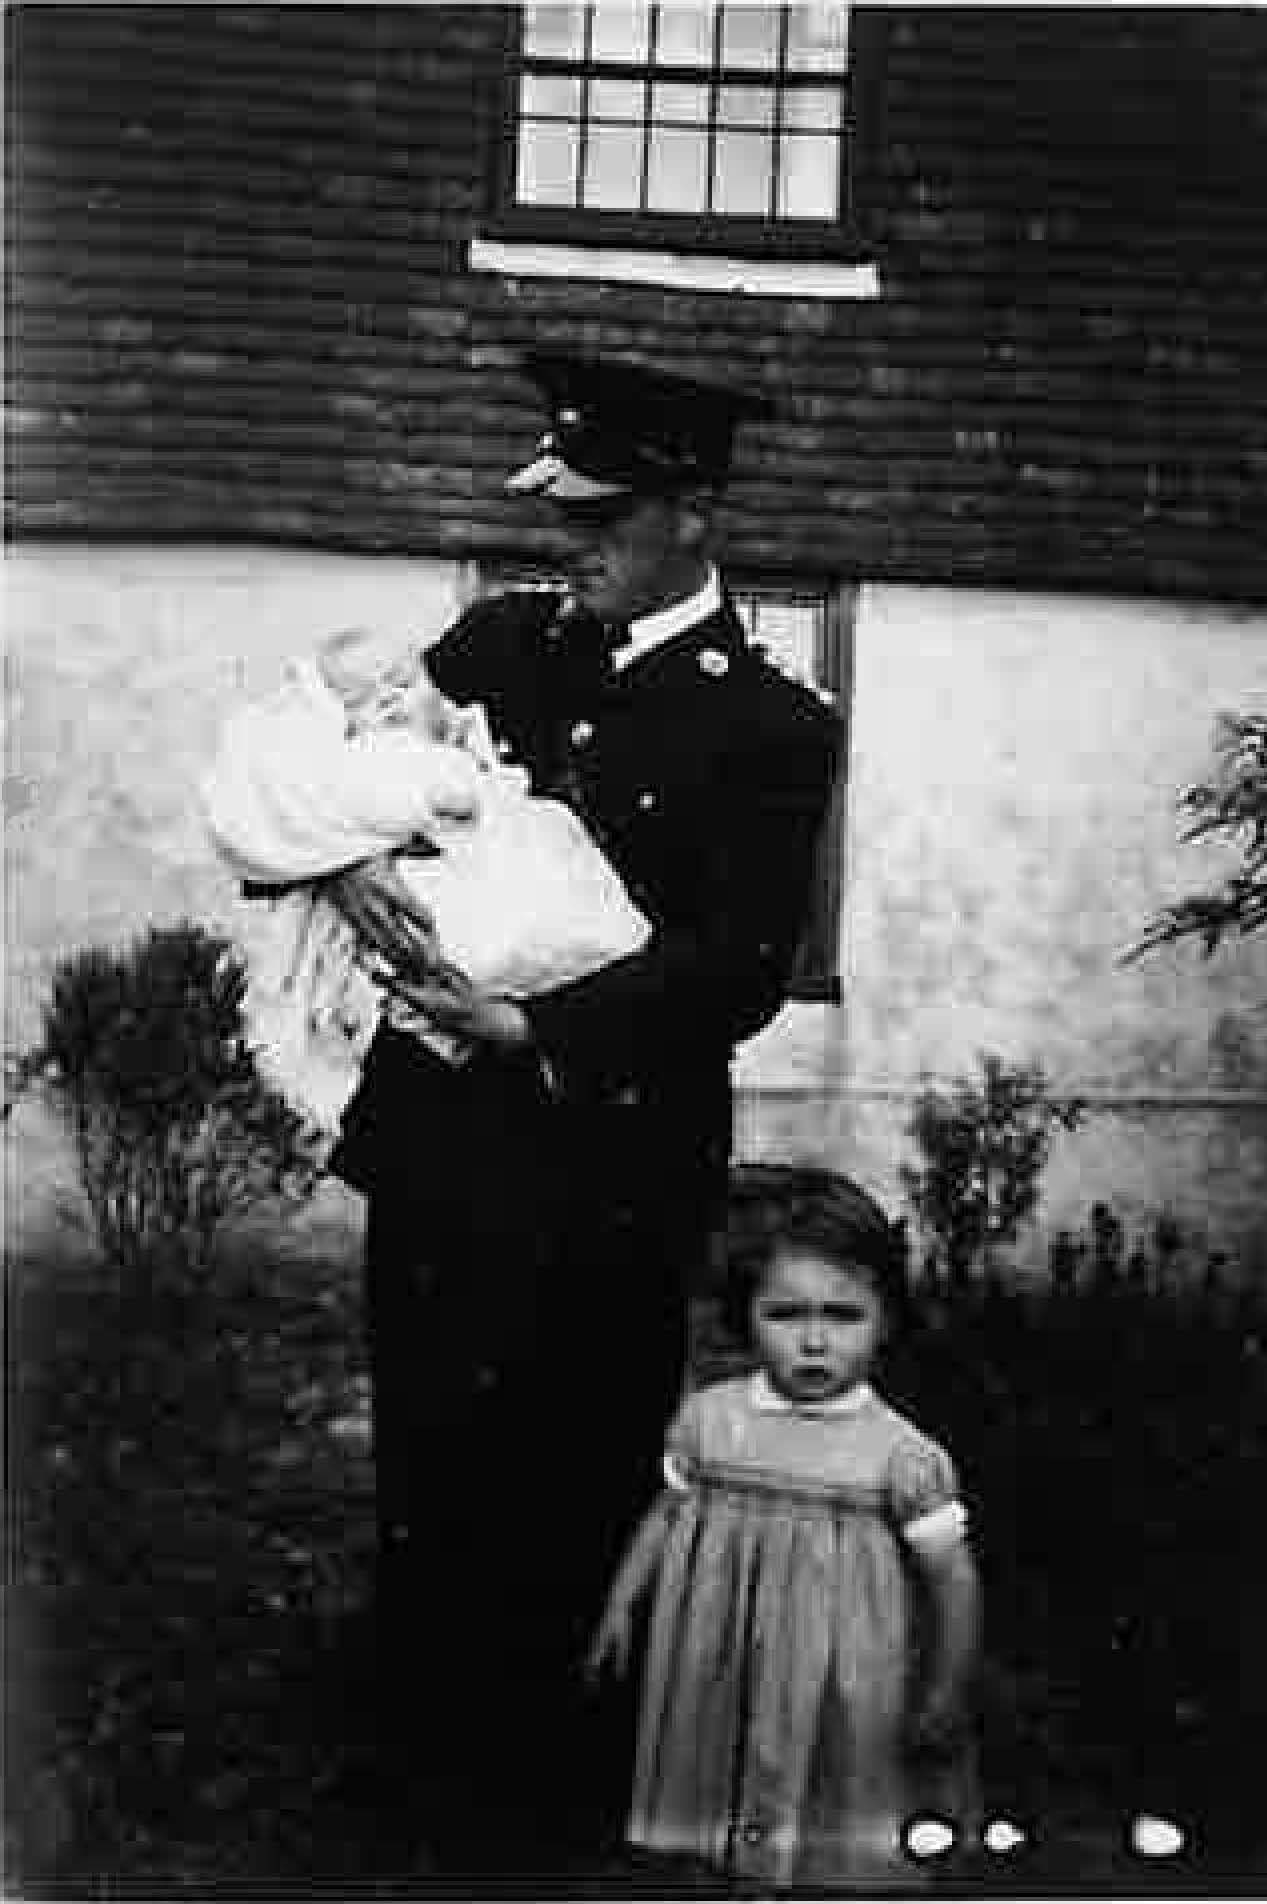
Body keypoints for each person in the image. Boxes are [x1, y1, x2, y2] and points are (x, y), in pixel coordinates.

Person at [319, 349, 843, 1869]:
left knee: (577, 1459)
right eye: (563, 514)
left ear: (689, 511)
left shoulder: (772, 726)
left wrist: (533, 1023)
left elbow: (736, 971)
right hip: (438, 1137)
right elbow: (366, 787)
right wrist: (346, 860)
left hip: (609, 1154)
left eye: (601, 516)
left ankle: (557, 1776)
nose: (571, 544)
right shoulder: (500, 642)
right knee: (428, 1442)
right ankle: (412, 1752)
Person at [585, 1165, 982, 1890]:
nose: (814, 1343)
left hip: (841, 1674)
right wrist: (623, 1603)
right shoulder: (712, 1420)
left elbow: (952, 1579)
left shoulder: (900, 1455)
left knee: (834, 1796)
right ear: (746, 1313)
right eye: (786, 1314)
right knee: (723, 1793)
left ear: (885, 1319)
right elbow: (667, 1515)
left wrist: (947, 1687)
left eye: (842, 1316)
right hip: (722, 1658)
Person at [200, 625, 649, 1141]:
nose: (417, 690)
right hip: (427, 1073)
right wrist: (349, 858)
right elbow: (256, 781)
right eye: (391, 688)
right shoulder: (400, 742)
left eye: (410, 678)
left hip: (577, 1065)